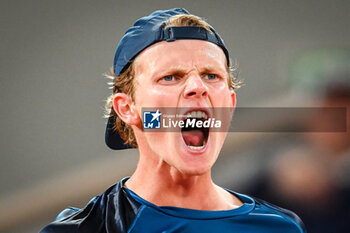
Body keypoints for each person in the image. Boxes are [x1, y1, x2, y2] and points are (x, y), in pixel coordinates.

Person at [39, 8, 306, 233]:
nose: (197, 87)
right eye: (170, 77)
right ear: (127, 108)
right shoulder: (90, 228)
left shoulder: (280, 227)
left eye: (211, 76)